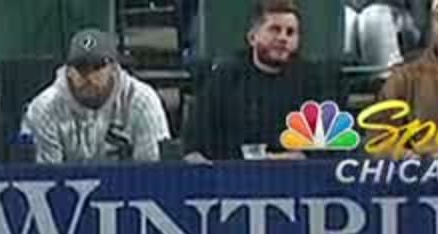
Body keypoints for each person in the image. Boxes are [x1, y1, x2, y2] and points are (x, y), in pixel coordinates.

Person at [182, 0, 319, 161]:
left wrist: (277, 159)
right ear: (253, 37)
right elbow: (194, 145)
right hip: (231, 173)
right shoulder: (224, 79)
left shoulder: (312, 82)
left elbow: (325, 150)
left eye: (290, 32)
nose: (283, 38)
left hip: (296, 174)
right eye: (275, 30)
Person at [18, 29, 172, 164]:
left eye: (98, 66)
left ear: (113, 68)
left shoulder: (141, 101)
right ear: (68, 70)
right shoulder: (45, 108)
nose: (89, 76)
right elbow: (45, 178)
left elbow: (154, 172)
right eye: (80, 67)